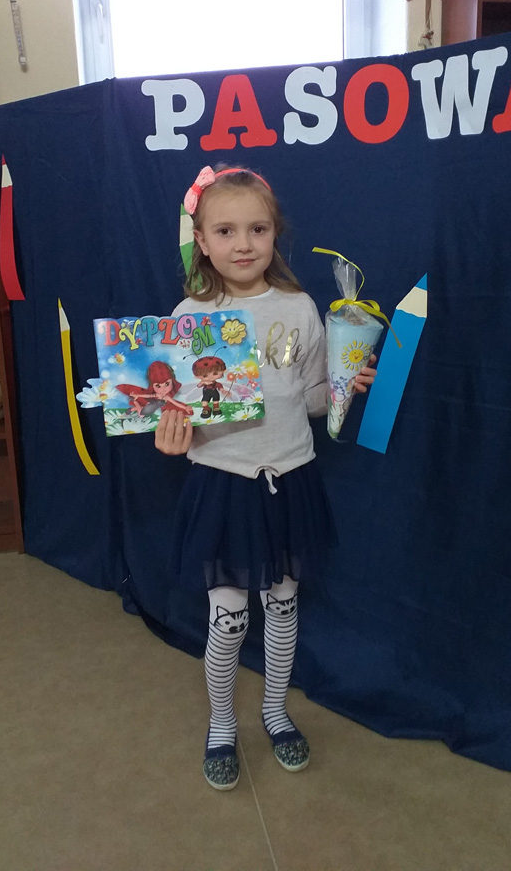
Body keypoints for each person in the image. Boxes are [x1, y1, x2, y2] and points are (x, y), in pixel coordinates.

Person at [156, 164, 376, 791]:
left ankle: (275, 711)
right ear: (201, 241)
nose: (243, 243)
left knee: (282, 606)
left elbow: (308, 400)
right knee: (228, 620)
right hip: (223, 486)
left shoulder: (301, 307)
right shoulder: (189, 314)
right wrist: (169, 434)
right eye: (225, 231)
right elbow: (176, 407)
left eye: (257, 228)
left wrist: (345, 386)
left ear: (276, 233)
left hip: (289, 478)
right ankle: (221, 724)